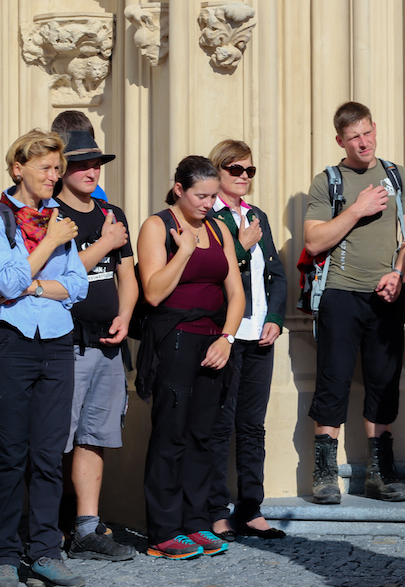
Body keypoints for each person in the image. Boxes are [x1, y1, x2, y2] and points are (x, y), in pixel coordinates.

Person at [0, 130, 88, 587]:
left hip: (57, 344)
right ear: (18, 167)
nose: (54, 176)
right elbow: (3, 281)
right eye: (46, 167)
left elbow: (78, 286)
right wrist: (48, 246)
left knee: (48, 454)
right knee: (9, 453)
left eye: (57, 169)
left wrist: (34, 285)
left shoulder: (58, 219)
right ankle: (2, 554)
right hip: (11, 343)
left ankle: (45, 551)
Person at [303, 102, 405, 505]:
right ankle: (323, 475)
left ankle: (379, 473)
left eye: (367, 133)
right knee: (333, 381)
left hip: (387, 294)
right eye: (354, 137)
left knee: (383, 380)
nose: (363, 142)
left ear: (375, 129)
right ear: (341, 140)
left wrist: (399, 273)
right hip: (340, 292)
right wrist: (357, 209)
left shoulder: (395, 174)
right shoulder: (328, 182)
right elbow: (314, 241)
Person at [136, 156, 245, 560]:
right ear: (179, 189)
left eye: (213, 196)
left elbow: (236, 291)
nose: (208, 203)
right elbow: (152, 292)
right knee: (171, 434)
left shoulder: (218, 228)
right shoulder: (157, 226)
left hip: (213, 340)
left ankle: (195, 522)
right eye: (201, 195)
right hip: (174, 339)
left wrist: (227, 338)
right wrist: (182, 252)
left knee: (203, 435)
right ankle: (164, 531)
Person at [55, 130, 137, 561]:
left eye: (96, 164)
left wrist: (125, 314)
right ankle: (48, 529)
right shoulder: (54, 214)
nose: (91, 171)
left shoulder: (111, 210)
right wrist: (105, 242)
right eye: (81, 164)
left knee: (94, 438)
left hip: (108, 346)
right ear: (63, 168)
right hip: (67, 345)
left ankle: (87, 528)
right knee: (57, 439)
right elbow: (63, 273)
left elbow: (127, 276)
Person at [205, 140, 288, 542]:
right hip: (226, 334)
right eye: (235, 169)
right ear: (218, 171)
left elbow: (277, 274)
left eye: (249, 171)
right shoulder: (210, 216)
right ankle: (217, 511)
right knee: (220, 424)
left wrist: (275, 317)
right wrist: (242, 245)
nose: (243, 177)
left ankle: (251, 509)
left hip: (260, 336)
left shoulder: (257, 216)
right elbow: (214, 271)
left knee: (252, 426)